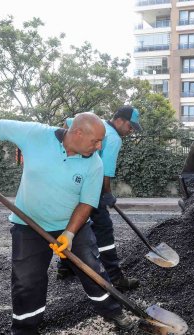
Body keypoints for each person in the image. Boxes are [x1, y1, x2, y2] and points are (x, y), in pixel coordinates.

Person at [0, 113, 138, 334]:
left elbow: (86, 203)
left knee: (92, 270)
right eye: (95, 141)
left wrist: (69, 234)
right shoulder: (36, 134)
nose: (98, 147)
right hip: (28, 225)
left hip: (72, 226)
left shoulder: (94, 164)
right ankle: (25, 329)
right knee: (27, 281)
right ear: (77, 132)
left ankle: (113, 311)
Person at [57, 106, 143, 292]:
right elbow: (105, 172)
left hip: (74, 185)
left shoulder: (94, 125)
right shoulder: (112, 138)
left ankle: (65, 268)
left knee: (73, 224)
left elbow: (69, 123)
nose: (131, 131)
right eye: (130, 126)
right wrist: (106, 194)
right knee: (104, 230)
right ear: (119, 120)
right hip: (91, 189)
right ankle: (115, 277)